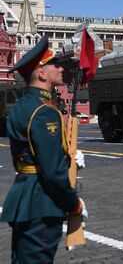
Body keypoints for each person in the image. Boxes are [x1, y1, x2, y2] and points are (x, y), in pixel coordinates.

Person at [0, 37, 87, 263]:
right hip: (42, 202)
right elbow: (52, 171)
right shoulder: (44, 112)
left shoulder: (21, 107)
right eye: (54, 64)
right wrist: (73, 203)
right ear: (41, 74)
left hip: (25, 196)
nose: (60, 68)